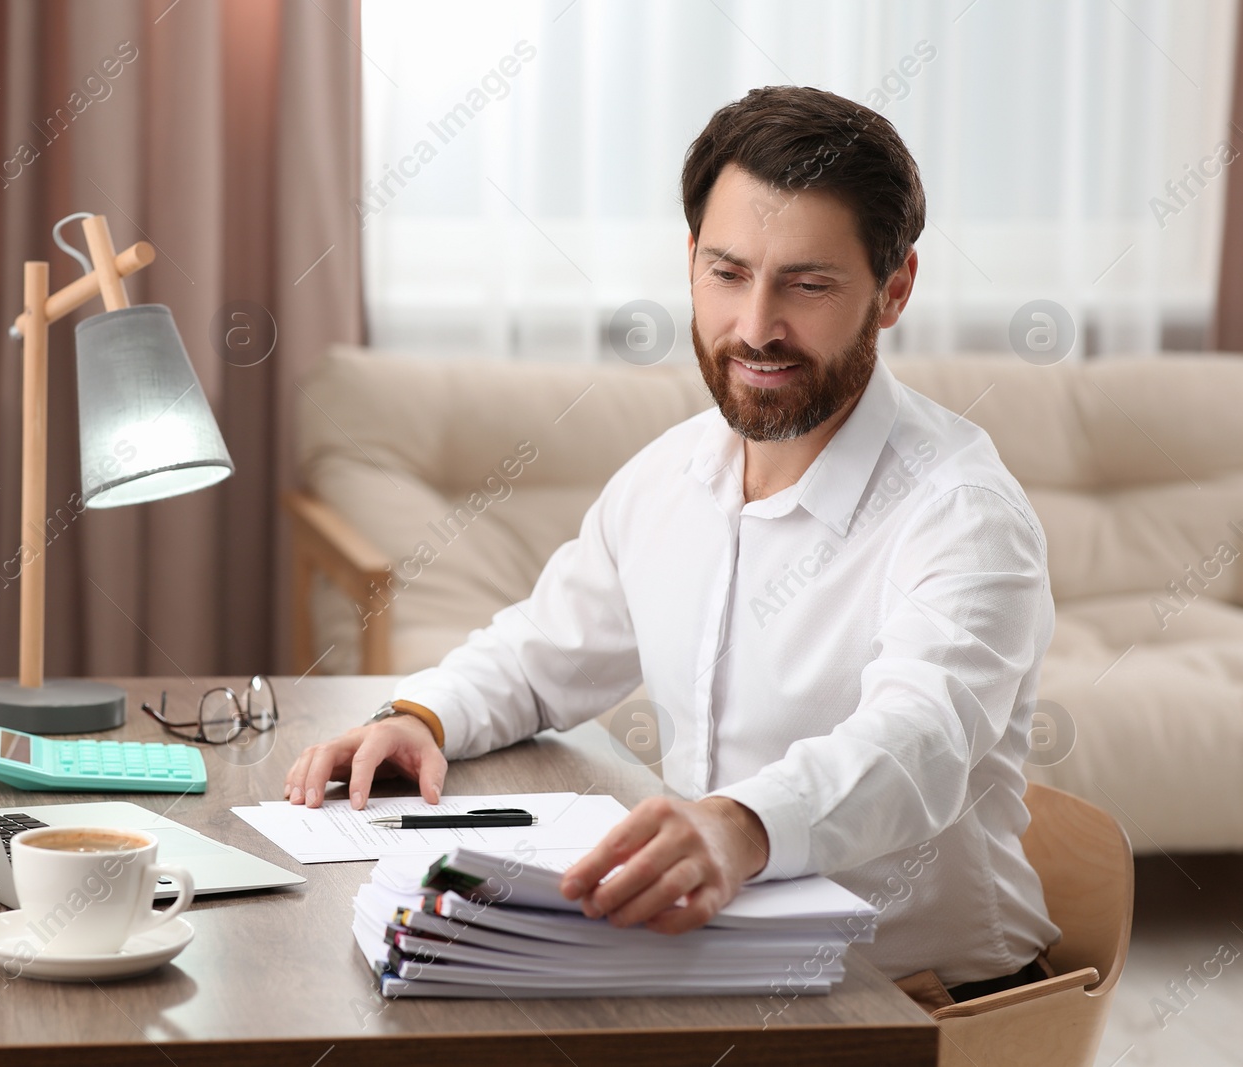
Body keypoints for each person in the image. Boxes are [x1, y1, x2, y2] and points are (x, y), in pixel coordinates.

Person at [283, 84, 1059, 996]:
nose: (756, 326)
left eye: (807, 285)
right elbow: (540, 656)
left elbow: (917, 741)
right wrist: (420, 716)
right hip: (727, 969)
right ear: (690, 260)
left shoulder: (964, 512)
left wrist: (740, 825)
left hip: (924, 1005)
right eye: (729, 274)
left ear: (894, 290)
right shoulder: (669, 475)